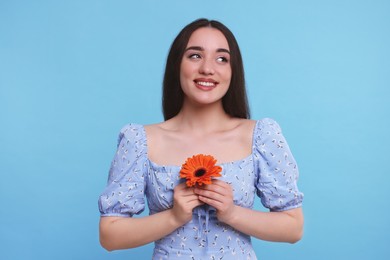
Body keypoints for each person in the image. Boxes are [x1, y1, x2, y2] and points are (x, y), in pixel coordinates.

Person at [98, 18, 304, 259]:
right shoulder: (140, 140)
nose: (208, 68)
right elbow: (109, 235)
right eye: (195, 56)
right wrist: (173, 217)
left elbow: (293, 227)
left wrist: (232, 213)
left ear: (232, 71)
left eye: (222, 59)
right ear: (177, 65)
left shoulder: (261, 136)